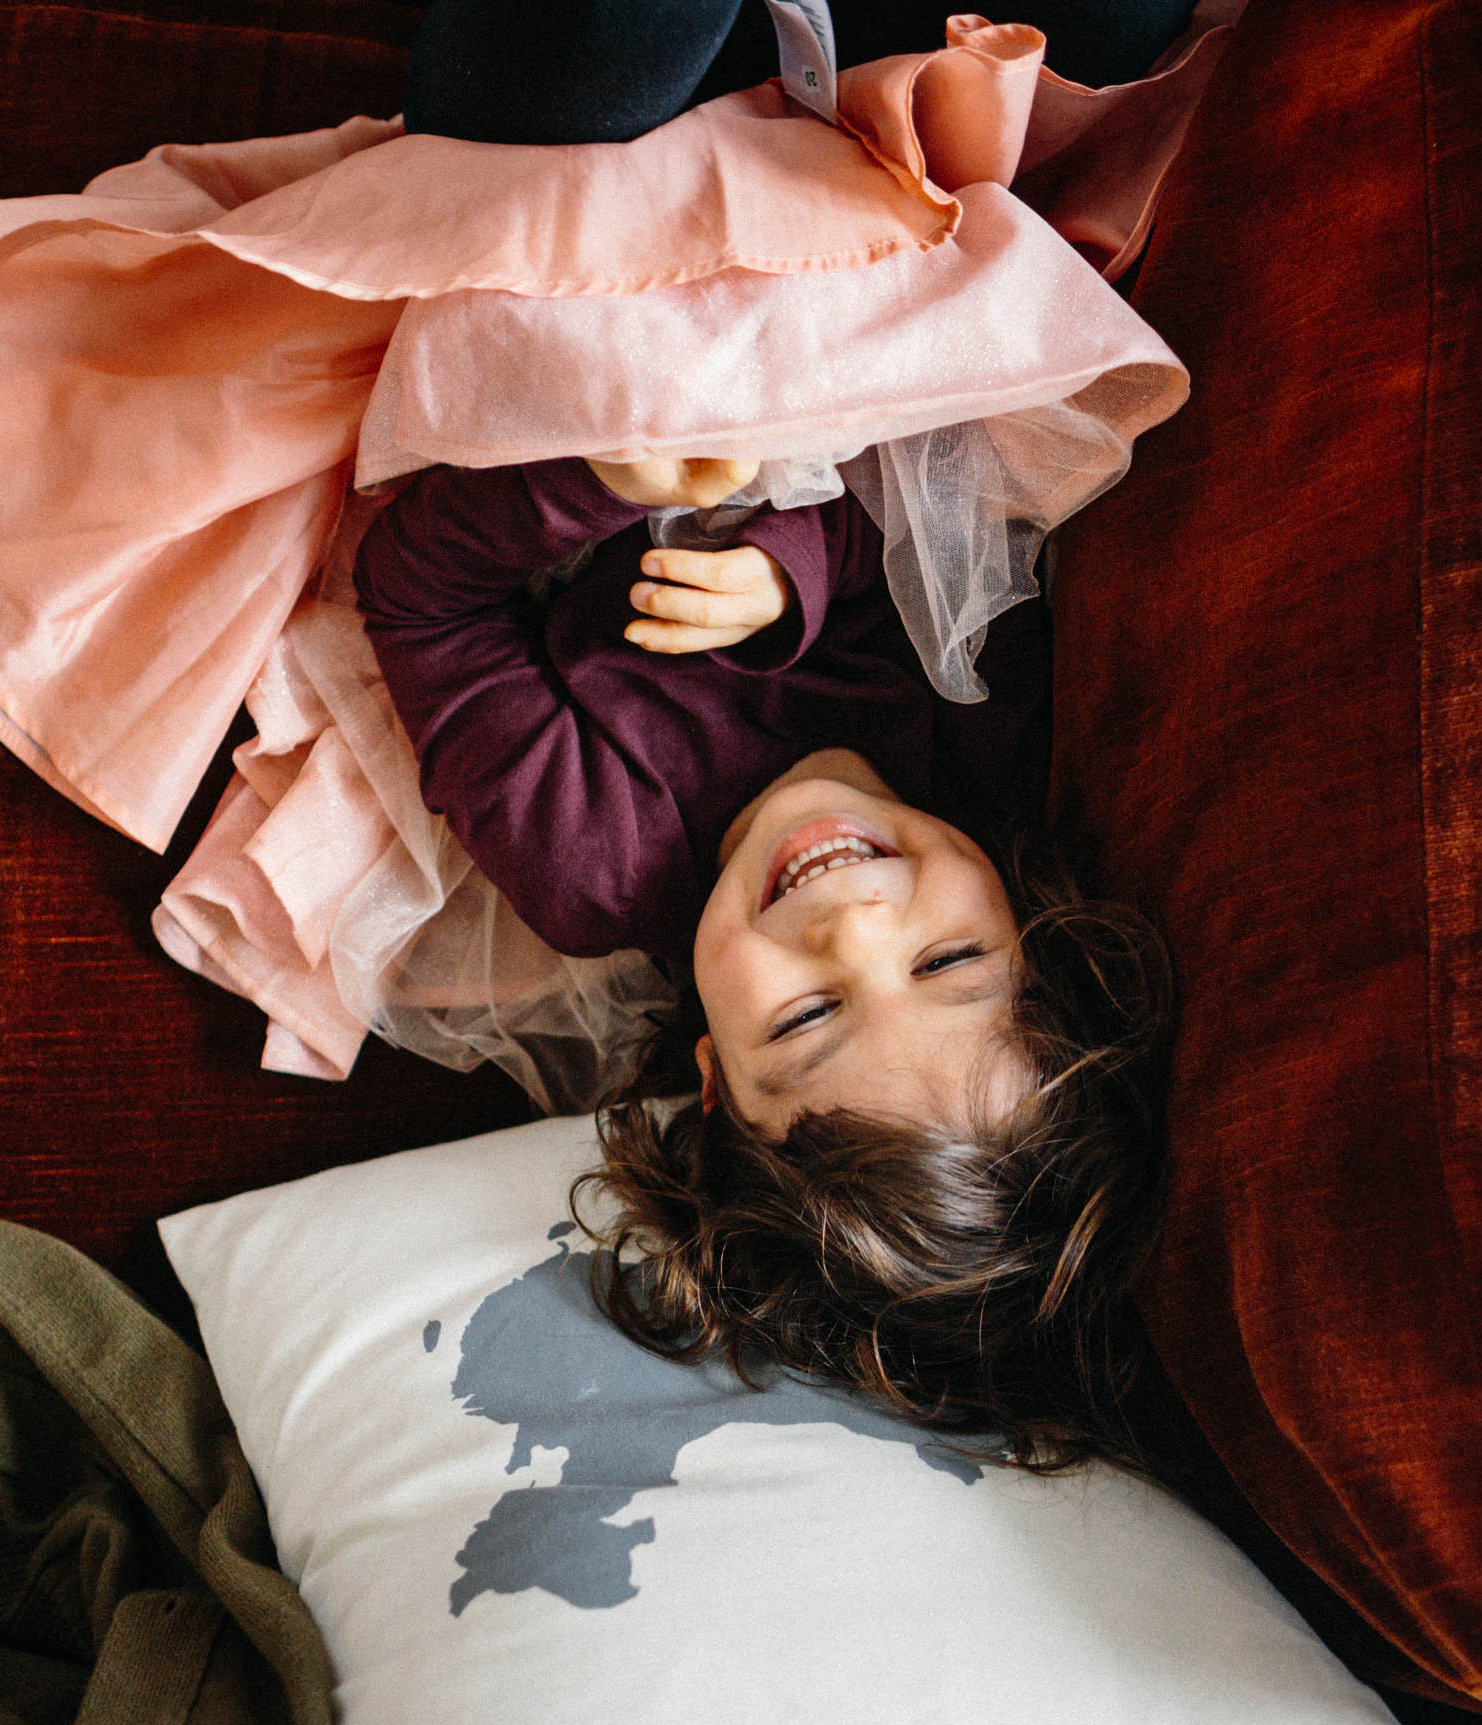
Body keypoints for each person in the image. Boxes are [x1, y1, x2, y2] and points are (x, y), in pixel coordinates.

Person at [354, 450, 1172, 1470]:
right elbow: (966, 504)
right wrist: (797, 566)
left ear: (711, 1080)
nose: (852, 928)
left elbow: (420, 603)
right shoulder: (992, 739)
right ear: (1032, 935)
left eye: (805, 1018)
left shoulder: (591, 857)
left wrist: (600, 482)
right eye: (946, 962)